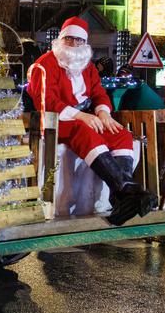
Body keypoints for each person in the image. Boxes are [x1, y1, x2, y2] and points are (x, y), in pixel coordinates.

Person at [27, 17, 157, 226]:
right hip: (57, 121)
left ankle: (121, 198)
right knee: (84, 130)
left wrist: (103, 113)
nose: (73, 44)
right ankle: (127, 191)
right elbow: (47, 100)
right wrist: (80, 116)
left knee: (121, 133)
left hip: (86, 116)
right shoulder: (44, 64)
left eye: (79, 40)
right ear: (61, 39)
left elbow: (99, 93)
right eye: (69, 39)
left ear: (85, 44)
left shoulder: (87, 67)